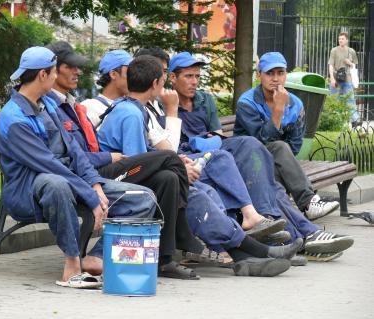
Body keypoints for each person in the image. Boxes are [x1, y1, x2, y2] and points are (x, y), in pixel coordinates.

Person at [97, 54, 308, 276]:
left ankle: (244, 258)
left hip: (139, 175)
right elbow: (137, 163)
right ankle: (258, 252)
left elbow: (148, 157)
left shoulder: (136, 109)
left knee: (204, 189)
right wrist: (176, 166)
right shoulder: (130, 113)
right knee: (194, 194)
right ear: (155, 83)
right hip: (120, 183)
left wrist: (176, 162)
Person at [167, 51, 354, 261]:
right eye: (188, 77)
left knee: (264, 158)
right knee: (265, 174)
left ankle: (299, 235)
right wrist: (173, 111)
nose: (194, 82)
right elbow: (170, 148)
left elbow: (221, 136)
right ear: (172, 78)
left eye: (197, 76)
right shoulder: (166, 103)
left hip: (237, 157)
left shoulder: (205, 100)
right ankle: (302, 236)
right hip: (202, 163)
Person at [0, 47, 156, 289]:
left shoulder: (48, 105)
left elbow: (76, 152)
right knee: (55, 183)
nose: (55, 78)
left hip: (72, 183)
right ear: (42, 75)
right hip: (30, 190)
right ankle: (72, 264)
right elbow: (47, 164)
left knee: (143, 198)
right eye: (53, 73)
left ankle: (97, 257)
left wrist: (95, 184)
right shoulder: (14, 117)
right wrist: (91, 197)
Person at [45, 41, 204, 280]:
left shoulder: (75, 103)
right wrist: (108, 157)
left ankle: (166, 257)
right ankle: (181, 233)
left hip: (99, 168)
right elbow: (69, 156)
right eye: (70, 67)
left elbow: (82, 151)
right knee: (168, 161)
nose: (77, 72)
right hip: (98, 171)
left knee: (169, 175)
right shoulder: (117, 110)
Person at [233, 51, 340, 221]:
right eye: (270, 73)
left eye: (280, 73)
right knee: (280, 147)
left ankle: (280, 220)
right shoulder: (247, 103)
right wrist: (278, 111)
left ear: (286, 75)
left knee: (280, 157)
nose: (275, 79)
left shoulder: (296, 104)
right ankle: (307, 203)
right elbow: (260, 143)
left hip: (275, 163)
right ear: (259, 75)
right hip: (246, 160)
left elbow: (295, 146)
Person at [328, 32, 359, 126]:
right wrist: (332, 79)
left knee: (350, 99)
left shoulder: (351, 51)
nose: (340, 40)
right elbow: (330, 65)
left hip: (347, 78)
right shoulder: (334, 50)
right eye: (339, 39)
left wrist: (350, 63)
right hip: (336, 78)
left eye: (342, 39)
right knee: (334, 99)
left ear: (346, 40)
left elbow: (355, 65)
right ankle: (334, 121)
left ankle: (355, 120)